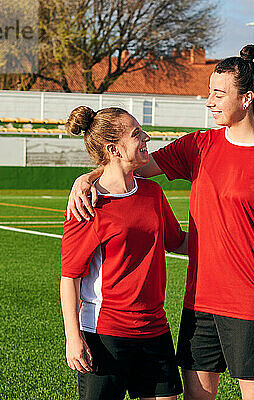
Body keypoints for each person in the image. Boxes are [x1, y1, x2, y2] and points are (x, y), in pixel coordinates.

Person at [66, 45, 254, 400]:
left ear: (247, 98)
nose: (209, 101)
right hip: (199, 301)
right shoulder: (199, 145)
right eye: (210, 92)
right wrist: (87, 177)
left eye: (218, 94)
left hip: (252, 300)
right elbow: (133, 165)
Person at [60, 105, 188, 400]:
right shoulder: (88, 205)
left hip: (155, 328)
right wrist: (73, 338)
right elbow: (70, 277)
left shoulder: (153, 194)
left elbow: (178, 241)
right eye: (136, 134)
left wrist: (228, 236)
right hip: (106, 335)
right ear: (113, 149)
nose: (146, 138)